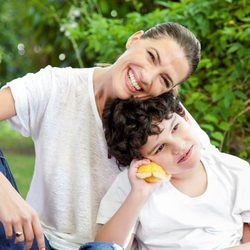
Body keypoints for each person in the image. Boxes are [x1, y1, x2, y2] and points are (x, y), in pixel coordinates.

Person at [0, 22, 206, 250]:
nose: (148, 77)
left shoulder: (169, 122)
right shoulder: (56, 86)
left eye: (164, 80)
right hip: (33, 240)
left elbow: (217, 176)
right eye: (151, 56)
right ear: (134, 40)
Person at [94, 92, 250, 250]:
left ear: (185, 118)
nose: (178, 146)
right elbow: (105, 246)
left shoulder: (234, 171)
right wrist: (138, 195)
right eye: (160, 147)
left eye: (175, 127)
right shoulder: (132, 185)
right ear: (141, 160)